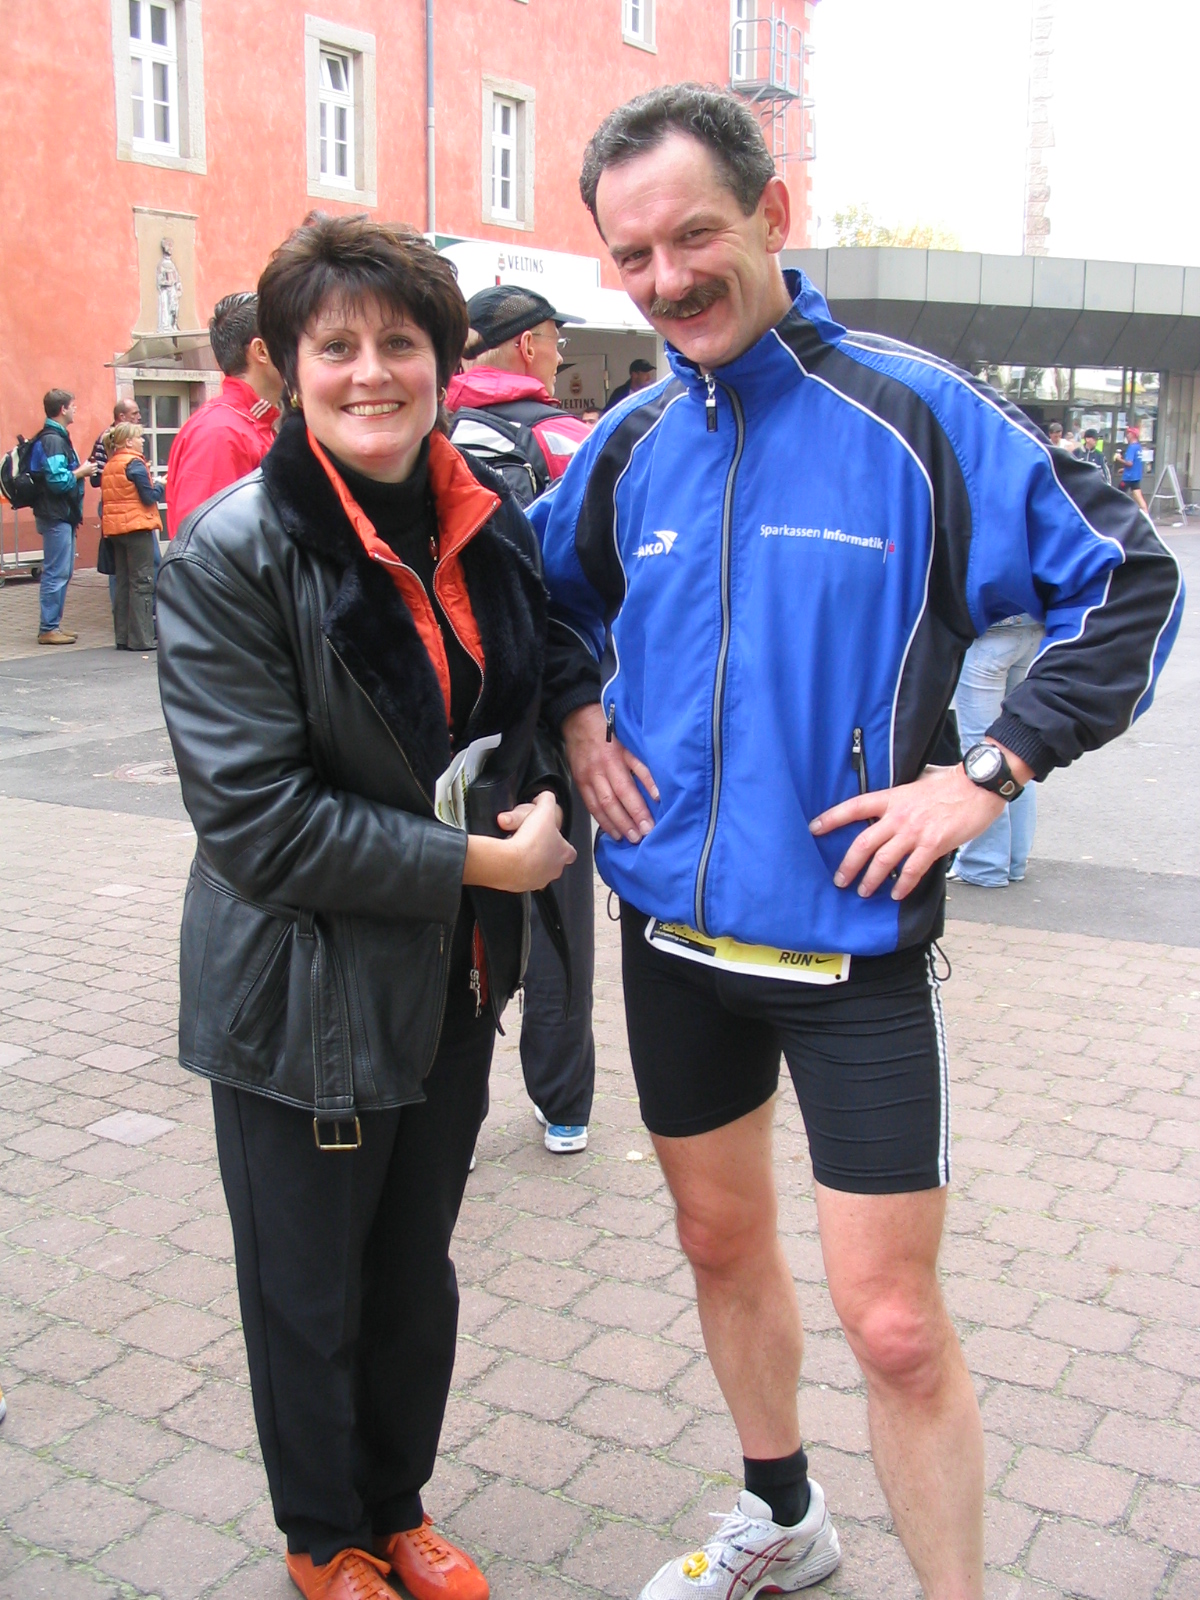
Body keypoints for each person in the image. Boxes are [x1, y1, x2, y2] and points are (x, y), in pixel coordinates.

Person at [535, 84, 1184, 1600]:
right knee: (716, 1245)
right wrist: (575, 716)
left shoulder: (916, 416)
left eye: (692, 235)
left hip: (853, 952)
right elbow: (542, 598)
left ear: (772, 215)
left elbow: (1129, 582)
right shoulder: (630, 441)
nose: (665, 278)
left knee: (892, 1325)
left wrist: (991, 770)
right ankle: (785, 1519)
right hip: (670, 940)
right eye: (632, 256)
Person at [156, 214, 575, 1600]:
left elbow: (525, 689)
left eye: (400, 341)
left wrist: (549, 774)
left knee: (412, 1272)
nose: (371, 372)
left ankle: (396, 1505)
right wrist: (481, 867)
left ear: (444, 361)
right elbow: (256, 818)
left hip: (453, 976)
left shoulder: (482, 517)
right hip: (305, 989)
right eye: (335, 346)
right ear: (287, 367)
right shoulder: (232, 551)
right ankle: (322, 1535)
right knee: (309, 1285)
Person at [448, 286, 596, 1154]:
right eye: (554, 341)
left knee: (447, 904)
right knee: (559, 908)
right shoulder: (569, 438)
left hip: (449, 718)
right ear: (531, 346)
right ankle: (564, 1101)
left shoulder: (422, 435)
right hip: (553, 711)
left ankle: (450, 1110)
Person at [446, 286, 591, 504]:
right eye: (556, 343)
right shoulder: (575, 439)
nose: (559, 358)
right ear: (527, 346)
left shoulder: (429, 430)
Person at [165, 290, 284, 535]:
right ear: (261, 351)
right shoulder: (220, 432)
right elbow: (204, 543)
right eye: (290, 339)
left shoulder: (248, 424)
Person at [949, 616, 1044, 886]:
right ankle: (1014, 859)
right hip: (1032, 625)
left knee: (982, 753)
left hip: (990, 630)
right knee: (1018, 748)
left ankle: (984, 863)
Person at [28, 389, 94, 645]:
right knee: (56, 572)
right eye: (73, 405)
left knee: (61, 571)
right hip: (56, 514)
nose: (76, 409)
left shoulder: (54, 437)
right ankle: (48, 628)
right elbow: (57, 481)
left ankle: (53, 624)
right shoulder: (54, 440)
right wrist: (81, 472)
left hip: (59, 514)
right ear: (63, 409)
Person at [100, 421, 165, 651]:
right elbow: (148, 497)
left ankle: (123, 637)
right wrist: (160, 485)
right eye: (139, 437)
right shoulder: (134, 463)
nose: (142, 441)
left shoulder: (111, 464)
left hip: (116, 530)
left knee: (123, 582)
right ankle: (141, 638)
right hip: (137, 528)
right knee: (142, 582)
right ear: (128, 441)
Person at [92, 398, 163, 605]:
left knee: (127, 569)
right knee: (133, 569)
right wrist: (134, 476)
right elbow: (96, 477)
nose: (139, 416)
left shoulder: (131, 443)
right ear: (121, 416)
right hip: (129, 512)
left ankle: (128, 612)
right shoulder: (108, 440)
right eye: (134, 413)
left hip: (119, 511)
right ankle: (144, 610)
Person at [1114, 421, 1148, 512]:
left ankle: (1118, 513)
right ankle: (1146, 514)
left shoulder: (1132, 447)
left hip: (1128, 478)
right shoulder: (1138, 447)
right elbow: (1135, 463)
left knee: (1117, 496)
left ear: (1133, 435)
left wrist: (1119, 459)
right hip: (1135, 476)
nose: (1127, 435)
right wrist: (1124, 469)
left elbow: (1130, 463)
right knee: (1139, 498)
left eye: (1128, 433)